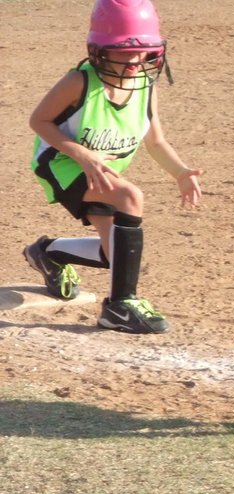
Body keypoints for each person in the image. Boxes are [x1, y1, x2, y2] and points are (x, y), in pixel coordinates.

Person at [24, 0, 202, 334]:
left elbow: (156, 141)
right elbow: (39, 120)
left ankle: (46, 253)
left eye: (142, 53)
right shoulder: (79, 82)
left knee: (114, 255)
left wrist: (180, 172)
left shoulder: (144, 86)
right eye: (122, 52)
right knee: (131, 197)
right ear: (98, 51)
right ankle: (120, 305)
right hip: (61, 163)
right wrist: (82, 154)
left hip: (101, 170)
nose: (134, 61)